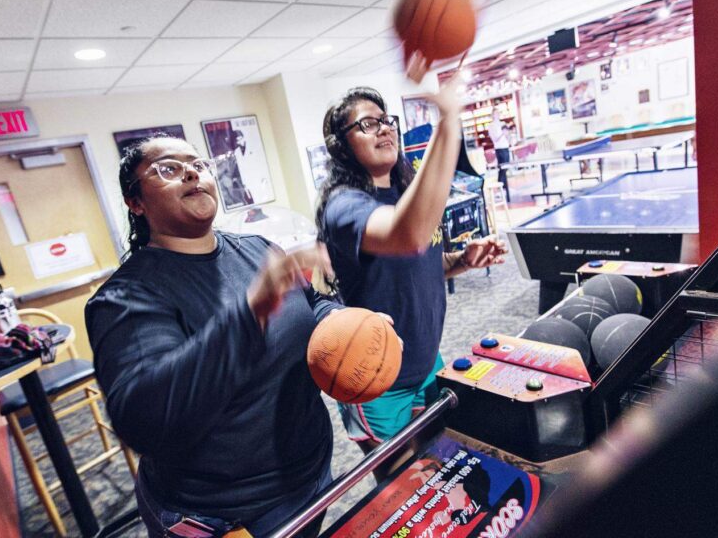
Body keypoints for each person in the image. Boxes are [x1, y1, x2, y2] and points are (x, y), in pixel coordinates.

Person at [85, 136, 337, 537]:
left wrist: (343, 321)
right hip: (226, 516)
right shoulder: (125, 298)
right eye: (168, 168)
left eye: (199, 164)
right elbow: (144, 418)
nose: (191, 172)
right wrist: (250, 312)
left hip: (309, 476)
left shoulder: (258, 249)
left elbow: (312, 306)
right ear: (136, 203)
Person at [314, 59, 507, 475]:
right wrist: (448, 120)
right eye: (367, 124)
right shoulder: (344, 205)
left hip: (424, 361)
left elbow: (417, 262)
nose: (384, 128)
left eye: (386, 120)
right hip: (377, 381)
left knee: (441, 465)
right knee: (404, 488)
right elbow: (408, 235)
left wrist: (460, 261)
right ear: (342, 146)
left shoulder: (403, 189)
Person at [487, 109, 512, 203]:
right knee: (502, 169)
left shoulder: (503, 123)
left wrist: (508, 136)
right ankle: (499, 190)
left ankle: (504, 189)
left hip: (505, 147)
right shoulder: (491, 126)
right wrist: (503, 133)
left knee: (506, 168)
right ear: (492, 115)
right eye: (495, 113)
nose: (497, 114)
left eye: (498, 112)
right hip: (499, 148)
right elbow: (495, 139)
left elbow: (507, 135)